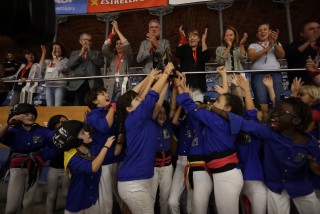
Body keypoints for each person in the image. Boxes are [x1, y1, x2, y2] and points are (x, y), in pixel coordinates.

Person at [229, 97, 320, 214]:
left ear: (296, 121)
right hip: (275, 187)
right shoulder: (269, 133)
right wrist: (216, 110)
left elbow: (317, 166)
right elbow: (244, 124)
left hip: (301, 186)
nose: (274, 115)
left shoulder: (310, 143)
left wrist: (315, 167)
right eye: (274, 111)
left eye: (280, 113)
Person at [173, 67, 244, 214]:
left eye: (218, 101)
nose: (214, 103)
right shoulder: (220, 120)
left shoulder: (215, 120)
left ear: (228, 108)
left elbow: (192, 108)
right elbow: (194, 113)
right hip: (223, 174)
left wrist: (179, 86)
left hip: (226, 175)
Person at [116, 63, 174, 214]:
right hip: (133, 183)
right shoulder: (134, 119)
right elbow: (151, 96)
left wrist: (165, 82)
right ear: (129, 109)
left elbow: (157, 101)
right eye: (136, 99)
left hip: (138, 180)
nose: (140, 99)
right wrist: (166, 73)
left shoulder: (144, 119)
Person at [0, 103, 57, 214]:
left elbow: (56, 138)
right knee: (13, 204)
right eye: (26, 114)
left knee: (29, 202)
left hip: (34, 167)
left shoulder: (41, 130)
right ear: (18, 116)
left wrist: (44, 156)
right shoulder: (13, 130)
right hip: (17, 168)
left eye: (32, 114)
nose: (31, 116)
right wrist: (8, 123)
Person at [52, 120, 116, 214]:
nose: (87, 133)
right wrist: (106, 146)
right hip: (77, 201)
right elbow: (93, 167)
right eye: (83, 132)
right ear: (73, 139)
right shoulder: (71, 158)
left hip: (91, 198)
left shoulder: (88, 148)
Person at [85, 86, 123, 214]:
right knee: (106, 199)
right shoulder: (92, 115)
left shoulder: (109, 110)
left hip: (118, 157)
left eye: (106, 92)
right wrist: (112, 108)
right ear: (95, 101)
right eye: (102, 94)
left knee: (121, 193)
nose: (107, 94)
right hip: (104, 161)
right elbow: (104, 126)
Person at [248, 23, 285, 121]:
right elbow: (251, 57)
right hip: (258, 74)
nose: (262, 31)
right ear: (257, 35)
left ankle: (276, 120)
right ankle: (264, 121)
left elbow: (281, 55)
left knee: (276, 99)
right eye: (260, 30)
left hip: (275, 73)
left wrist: (275, 43)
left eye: (265, 29)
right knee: (261, 99)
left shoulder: (277, 43)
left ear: (269, 32)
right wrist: (269, 47)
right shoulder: (253, 45)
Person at [67, 33, 104, 106]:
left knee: (93, 104)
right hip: (78, 84)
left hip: (93, 84)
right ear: (80, 41)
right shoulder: (74, 53)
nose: (86, 42)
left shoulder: (97, 53)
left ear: (91, 42)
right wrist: (80, 54)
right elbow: (69, 65)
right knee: (80, 105)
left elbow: (100, 64)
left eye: (89, 40)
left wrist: (89, 52)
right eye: (84, 39)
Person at [176, 26, 210, 102]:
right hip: (186, 83)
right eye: (190, 37)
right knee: (186, 107)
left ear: (198, 39)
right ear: (188, 39)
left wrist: (204, 41)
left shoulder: (201, 48)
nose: (192, 38)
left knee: (198, 106)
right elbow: (178, 53)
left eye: (194, 36)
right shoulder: (185, 49)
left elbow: (206, 58)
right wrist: (182, 38)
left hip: (199, 84)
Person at [102, 20, 133, 101]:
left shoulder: (127, 57)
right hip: (111, 85)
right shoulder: (112, 57)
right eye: (117, 44)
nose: (119, 45)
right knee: (110, 105)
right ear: (115, 47)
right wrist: (112, 35)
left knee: (119, 103)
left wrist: (117, 30)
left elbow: (127, 45)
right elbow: (104, 49)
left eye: (120, 43)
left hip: (122, 85)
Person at [45, 114, 69, 214]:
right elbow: (53, 138)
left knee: (66, 194)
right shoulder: (50, 134)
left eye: (65, 123)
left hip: (66, 169)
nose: (64, 125)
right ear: (55, 124)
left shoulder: (69, 134)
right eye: (61, 123)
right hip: (53, 169)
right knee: (51, 195)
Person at [285, 19, 320, 85]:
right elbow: (290, 55)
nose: (316, 30)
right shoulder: (296, 44)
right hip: (301, 84)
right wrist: (309, 41)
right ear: (302, 33)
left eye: (318, 28)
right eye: (311, 29)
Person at [215, 26, 248, 95]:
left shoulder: (238, 49)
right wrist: (229, 46)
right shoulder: (219, 49)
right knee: (225, 102)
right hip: (224, 80)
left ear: (234, 37)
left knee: (238, 101)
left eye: (231, 35)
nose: (229, 37)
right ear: (224, 38)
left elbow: (243, 60)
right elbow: (220, 61)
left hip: (238, 79)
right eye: (227, 35)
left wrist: (241, 45)